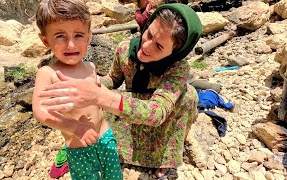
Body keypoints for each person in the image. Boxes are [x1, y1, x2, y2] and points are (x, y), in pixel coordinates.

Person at [39, 3, 203, 179]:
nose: (146, 46)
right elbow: (114, 80)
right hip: (127, 109)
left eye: (159, 46)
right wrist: (89, 84)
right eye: (148, 35)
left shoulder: (177, 69)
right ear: (146, 26)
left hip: (150, 114)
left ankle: (164, 158)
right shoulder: (125, 50)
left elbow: (157, 113)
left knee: (188, 96)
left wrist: (100, 96)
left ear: (175, 52)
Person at [32, 0, 123, 179]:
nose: (71, 45)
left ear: (89, 37)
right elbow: (39, 110)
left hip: (104, 137)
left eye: (78, 35)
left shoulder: (90, 66)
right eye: (60, 36)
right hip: (77, 145)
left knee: (114, 176)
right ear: (45, 40)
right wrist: (74, 126)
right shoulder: (48, 73)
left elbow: (99, 92)